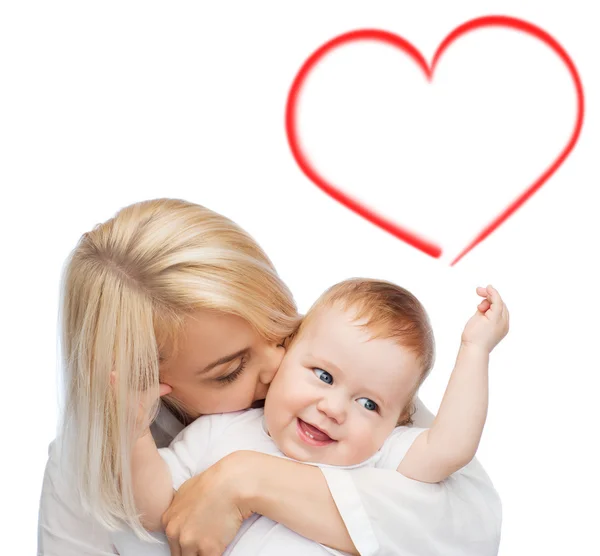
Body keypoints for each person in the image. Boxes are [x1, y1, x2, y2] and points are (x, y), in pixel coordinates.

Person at [37, 198, 502, 556]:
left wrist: (247, 480)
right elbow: (153, 508)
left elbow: (466, 523)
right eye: (231, 370)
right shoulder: (91, 460)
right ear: (146, 382)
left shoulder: (348, 382)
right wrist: (133, 435)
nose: (279, 366)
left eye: (281, 328)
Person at [129, 279, 508, 555]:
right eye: (324, 376)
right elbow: (155, 511)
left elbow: (451, 446)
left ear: (399, 420)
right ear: (286, 352)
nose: (333, 408)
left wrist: (475, 349)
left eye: (369, 404)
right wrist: (133, 431)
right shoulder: (218, 430)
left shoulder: (380, 456)